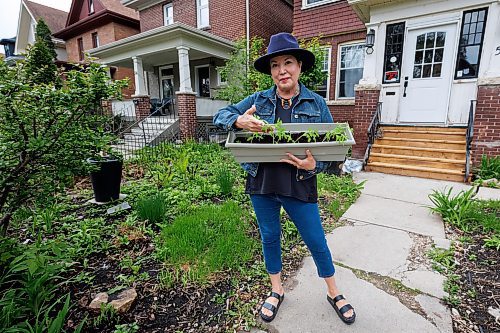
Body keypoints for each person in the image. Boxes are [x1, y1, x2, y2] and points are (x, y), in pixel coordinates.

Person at [213, 32, 356, 325]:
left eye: (288, 62)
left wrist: (315, 164)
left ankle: (333, 291)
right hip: (262, 184)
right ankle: (276, 290)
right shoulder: (258, 100)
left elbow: (335, 148)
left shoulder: (316, 104)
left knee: (315, 239)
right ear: (271, 72)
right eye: (275, 65)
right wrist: (237, 119)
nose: (282, 70)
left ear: (299, 66)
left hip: (299, 184)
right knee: (269, 237)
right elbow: (221, 115)